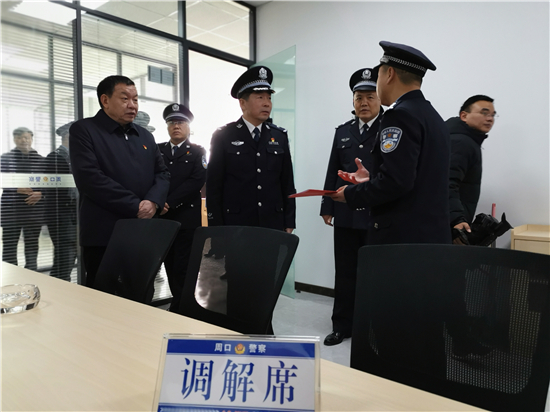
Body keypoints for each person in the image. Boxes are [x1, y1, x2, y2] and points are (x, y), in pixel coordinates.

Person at [330, 41, 451, 246]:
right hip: (430, 237)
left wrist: (350, 194)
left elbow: (396, 182)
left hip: (403, 239)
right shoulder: (432, 117)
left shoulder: (400, 116)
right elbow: (415, 174)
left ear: (389, 74)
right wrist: (373, 177)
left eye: (378, 75)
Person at [69, 75, 170, 288]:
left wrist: (154, 202)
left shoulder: (145, 136)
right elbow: (90, 178)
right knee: (103, 297)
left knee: (142, 292)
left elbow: (162, 173)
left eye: (135, 99)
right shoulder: (85, 130)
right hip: (104, 234)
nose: (132, 105)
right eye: (125, 99)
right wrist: (136, 206)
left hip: (143, 231)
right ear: (105, 100)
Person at [320, 68, 383, 346]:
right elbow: (333, 169)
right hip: (345, 213)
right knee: (345, 271)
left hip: (376, 214)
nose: (364, 103)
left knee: (375, 273)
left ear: (379, 99)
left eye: (370, 96)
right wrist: (327, 205)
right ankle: (342, 325)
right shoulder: (343, 131)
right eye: (359, 97)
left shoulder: (389, 130)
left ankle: (372, 326)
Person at [206, 66, 296, 232]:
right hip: (236, 224)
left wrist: (289, 221)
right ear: (242, 103)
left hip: (272, 223)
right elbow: (214, 187)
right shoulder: (223, 136)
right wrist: (216, 227)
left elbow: (287, 183)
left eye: (269, 98)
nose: (267, 103)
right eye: (260, 97)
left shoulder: (279, 136)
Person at [158, 103, 206, 312]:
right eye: (171, 122)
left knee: (183, 267)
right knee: (167, 264)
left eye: (180, 122)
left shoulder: (197, 151)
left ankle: (182, 309)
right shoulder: (157, 150)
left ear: (188, 126)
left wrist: (168, 202)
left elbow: (196, 181)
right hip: (161, 218)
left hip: (186, 218)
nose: (176, 126)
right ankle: (178, 305)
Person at [447, 95, 496, 244]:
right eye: (484, 113)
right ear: (464, 116)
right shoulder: (462, 142)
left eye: (492, 115)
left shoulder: (464, 140)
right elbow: (447, 183)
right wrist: (456, 220)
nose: (490, 119)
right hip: (449, 226)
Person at [1, 127, 45, 270]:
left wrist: (40, 193)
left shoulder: (41, 160)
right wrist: (16, 189)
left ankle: (31, 273)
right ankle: (10, 275)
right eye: (19, 137)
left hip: (33, 209)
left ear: (31, 139)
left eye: (26, 137)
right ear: (14, 139)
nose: (23, 140)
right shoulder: (5, 159)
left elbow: (49, 183)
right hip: (11, 209)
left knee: (32, 244)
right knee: (9, 245)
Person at [44, 122, 77, 281]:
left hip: (72, 214)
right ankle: (60, 285)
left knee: (69, 254)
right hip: (61, 214)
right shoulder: (55, 157)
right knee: (65, 255)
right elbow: (52, 191)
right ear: (67, 136)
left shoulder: (75, 157)